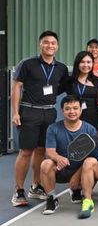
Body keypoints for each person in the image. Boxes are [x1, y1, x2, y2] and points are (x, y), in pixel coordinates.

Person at [11, 30, 70, 207]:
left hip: (49, 112)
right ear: (40, 44)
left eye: (53, 43)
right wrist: (15, 112)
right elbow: (16, 88)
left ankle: (36, 186)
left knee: (41, 151)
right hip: (29, 112)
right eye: (46, 42)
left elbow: (61, 87)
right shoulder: (28, 64)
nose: (50, 46)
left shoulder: (60, 68)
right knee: (26, 151)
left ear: (57, 46)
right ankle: (19, 190)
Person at [40, 95, 97, 214]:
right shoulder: (53, 128)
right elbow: (50, 151)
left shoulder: (90, 129)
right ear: (63, 111)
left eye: (75, 108)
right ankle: (51, 198)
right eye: (68, 109)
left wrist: (77, 176)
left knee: (91, 162)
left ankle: (77, 190)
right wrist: (58, 158)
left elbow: (93, 156)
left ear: (81, 110)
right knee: (46, 164)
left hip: (81, 169)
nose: (72, 112)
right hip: (60, 168)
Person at [67, 51, 98, 128]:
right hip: (75, 117)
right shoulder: (70, 81)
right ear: (77, 64)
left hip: (96, 118)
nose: (85, 65)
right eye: (82, 62)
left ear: (93, 64)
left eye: (88, 62)